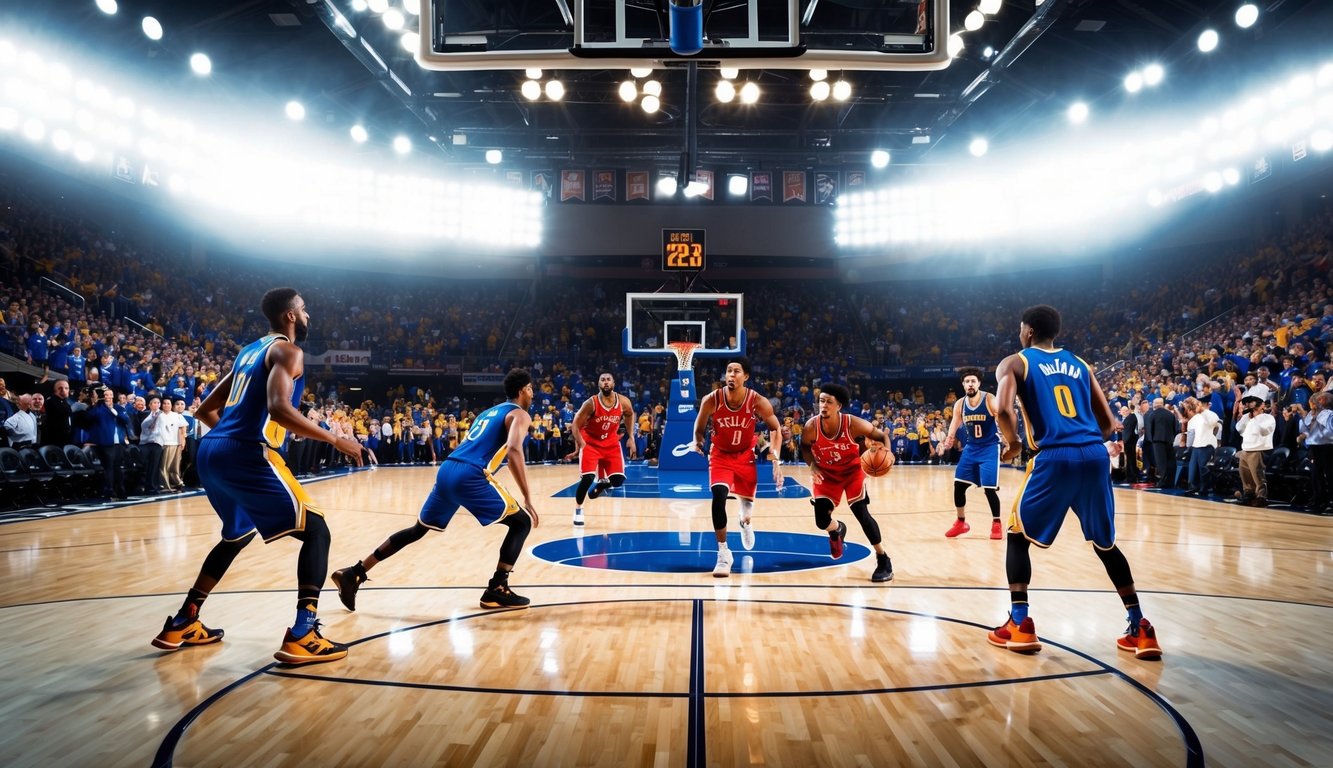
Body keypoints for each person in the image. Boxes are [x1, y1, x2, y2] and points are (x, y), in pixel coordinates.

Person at [151, 288, 365, 665]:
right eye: (304, 309)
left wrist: (229, 440)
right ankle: (303, 633)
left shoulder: (248, 352)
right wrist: (336, 439)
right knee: (317, 530)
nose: (308, 314)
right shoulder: (288, 351)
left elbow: (204, 410)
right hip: (244, 451)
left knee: (236, 536)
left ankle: (184, 620)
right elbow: (279, 408)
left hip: (213, 451)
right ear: (291, 316)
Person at [989, 305, 1162, 660]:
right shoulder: (1081, 364)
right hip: (1094, 455)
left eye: (1021, 329)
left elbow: (1003, 408)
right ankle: (1140, 626)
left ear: (1028, 331)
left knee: (1017, 535)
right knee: (1105, 544)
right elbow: (1110, 423)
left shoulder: (1015, 362)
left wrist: (1014, 444)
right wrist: (1083, 441)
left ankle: (1019, 623)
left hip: (1054, 457)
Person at [332, 369, 539, 611]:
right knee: (521, 523)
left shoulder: (487, 412)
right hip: (469, 474)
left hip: (448, 469)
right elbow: (514, 450)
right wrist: (527, 496)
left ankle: (354, 573)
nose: (533, 394)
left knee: (417, 530)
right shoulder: (520, 415)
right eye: (531, 389)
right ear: (523, 390)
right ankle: (497, 588)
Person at [691, 356, 784, 577]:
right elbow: (700, 426)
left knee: (747, 508)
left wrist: (776, 460)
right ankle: (723, 553)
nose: (731, 375)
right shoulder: (712, 399)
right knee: (719, 497)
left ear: (746, 376)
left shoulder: (757, 400)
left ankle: (744, 522)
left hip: (745, 453)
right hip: (721, 454)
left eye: (736, 371)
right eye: (729, 371)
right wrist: (698, 441)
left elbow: (775, 428)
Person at [799, 384, 895, 582]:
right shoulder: (811, 426)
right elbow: (805, 447)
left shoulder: (853, 423)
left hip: (852, 472)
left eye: (828, 402)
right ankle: (837, 530)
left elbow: (881, 435)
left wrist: (888, 453)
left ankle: (883, 558)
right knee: (821, 521)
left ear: (838, 406)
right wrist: (812, 466)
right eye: (821, 401)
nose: (823, 405)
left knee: (861, 513)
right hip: (826, 474)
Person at [565, 372, 636, 526]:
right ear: (599, 384)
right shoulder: (591, 403)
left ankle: (602, 484)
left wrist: (631, 437)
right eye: (602, 380)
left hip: (611, 443)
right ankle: (578, 509)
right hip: (591, 442)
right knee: (587, 478)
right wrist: (581, 446)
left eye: (608, 380)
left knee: (618, 481)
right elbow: (575, 426)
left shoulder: (623, 402)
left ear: (613, 383)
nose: (605, 382)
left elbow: (630, 414)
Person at [940, 367, 1004, 539]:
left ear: (979, 383)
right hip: (971, 448)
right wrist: (950, 437)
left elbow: (1000, 417)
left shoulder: (990, 399)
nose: (970, 384)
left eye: (973, 381)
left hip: (990, 447)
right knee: (959, 485)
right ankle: (961, 522)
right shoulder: (960, 404)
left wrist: (1006, 438)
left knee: (989, 489)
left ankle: (996, 524)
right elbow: (955, 421)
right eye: (967, 381)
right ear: (963, 384)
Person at [1235, 394, 1275, 507]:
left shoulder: (1268, 418)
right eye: (1249, 402)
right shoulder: (1247, 417)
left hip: (1258, 449)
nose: (1251, 404)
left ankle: (1261, 497)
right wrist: (1247, 417)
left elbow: (1264, 431)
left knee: (1257, 475)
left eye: (1254, 402)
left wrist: (1256, 417)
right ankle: (1249, 494)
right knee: (1245, 475)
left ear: (1262, 404)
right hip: (1246, 449)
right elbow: (1239, 429)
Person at [1183, 397, 1221, 497]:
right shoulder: (1194, 418)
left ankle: (1204, 488)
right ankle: (1193, 487)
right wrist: (1189, 447)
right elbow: (1191, 433)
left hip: (1206, 445)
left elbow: (1215, 423)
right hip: (1196, 445)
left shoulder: (1209, 414)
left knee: (1203, 468)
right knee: (1193, 468)